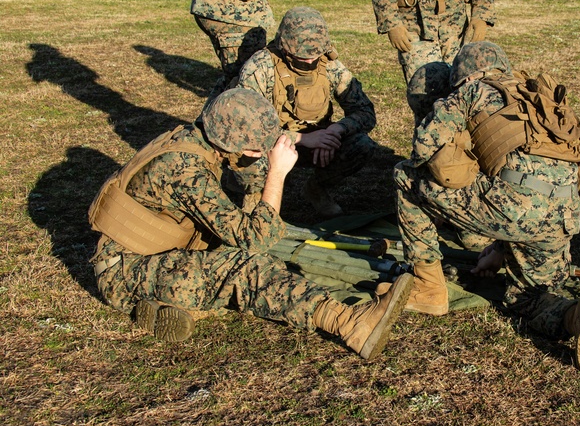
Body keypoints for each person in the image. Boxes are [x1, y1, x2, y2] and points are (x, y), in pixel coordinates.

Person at [87, 88, 411, 360]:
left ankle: (175, 303)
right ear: (232, 143)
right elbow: (257, 239)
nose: (260, 154)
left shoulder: (199, 138)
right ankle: (348, 322)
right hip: (124, 271)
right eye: (256, 149)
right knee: (247, 266)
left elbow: (246, 203)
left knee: (238, 255)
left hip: (153, 255)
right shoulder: (184, 170)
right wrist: (277, 173)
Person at [393, 42, 580, 373]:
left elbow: (424, 148)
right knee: (528, 298)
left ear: (462, 76)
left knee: (406, 176)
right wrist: (500, 248)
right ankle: (572, 316)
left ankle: (428, 289)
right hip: (564, 215)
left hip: (512, 209)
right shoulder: (537, 96)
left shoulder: (471, 91)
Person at [235, 7, 378, 218]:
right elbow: (246, 129)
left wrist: (336, 131)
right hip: (272, 145)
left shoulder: (330, 66)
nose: (310, 61)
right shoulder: (260, 68)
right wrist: (302, 138)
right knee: (249, 154)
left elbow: (365, 111)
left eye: (315, 54)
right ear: (284, 46)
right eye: (302, 55)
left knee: (361, 146)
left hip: (319, 142)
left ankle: (317, 189)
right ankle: (256, 201)